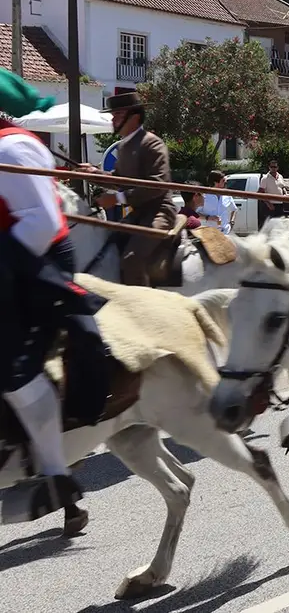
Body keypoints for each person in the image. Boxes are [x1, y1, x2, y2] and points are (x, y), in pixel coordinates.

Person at [0, 69, 112, 525]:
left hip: (38, 265)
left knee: (14, 367)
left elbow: (42, 225)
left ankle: (53, 471)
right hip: (11, 262)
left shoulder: (12, 148)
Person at [81, 91, 177, 286]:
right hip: (138, 214)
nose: (113, 119)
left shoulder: (153, 144)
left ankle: (141, 309)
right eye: (113, 115)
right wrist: (93, 173)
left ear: (133, 117)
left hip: (159, 212)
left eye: (118, 114)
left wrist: (117, 199)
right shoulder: (124, 146)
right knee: (108, 247)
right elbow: (119, 180)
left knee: (132, 259)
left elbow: (158, 185)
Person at [200, 170, 237, 234]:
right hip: (208, 233)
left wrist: (232, 222)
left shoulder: (227, 195)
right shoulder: (204, 196)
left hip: (225, 232)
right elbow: (195, 214)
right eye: (223, 181)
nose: (226, 182)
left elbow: (234, 209)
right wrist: (208, 217)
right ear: (215, 183)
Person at [258, 159, 288, 228]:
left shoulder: (280, 176)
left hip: (280, 204)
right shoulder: (265, 178)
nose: (273, 168)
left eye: (275, 167)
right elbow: (260, 193)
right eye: (272, 167)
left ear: (277, 168)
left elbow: (282, 187)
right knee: (271, 225)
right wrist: (268, 204)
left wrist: (286, 192)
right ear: (269, 167)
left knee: (279, 224)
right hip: (271, 205)